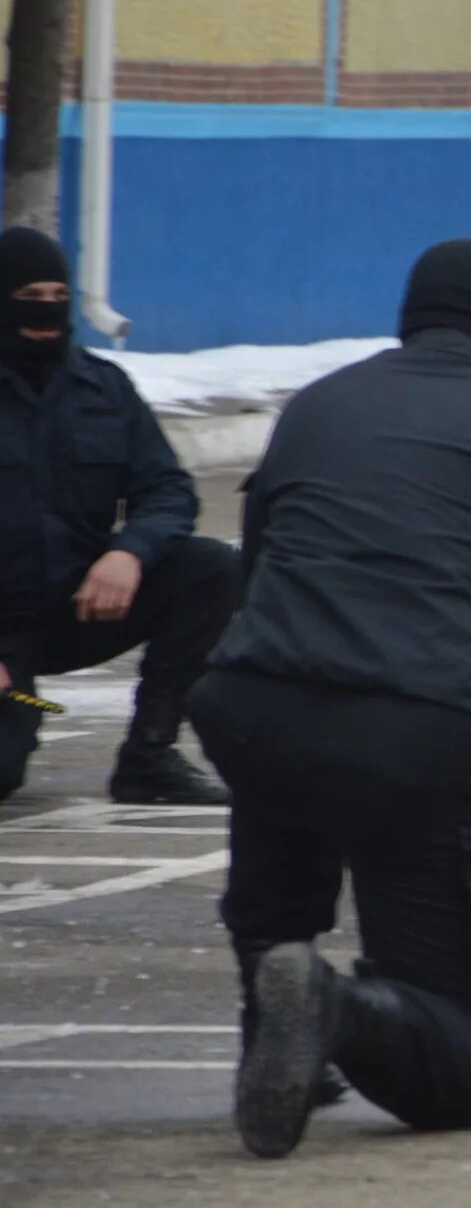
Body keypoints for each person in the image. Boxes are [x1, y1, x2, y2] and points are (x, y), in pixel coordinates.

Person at [198, 240, 471, 1159]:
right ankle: (334, 1008)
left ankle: (275, 1010)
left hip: (253, 704)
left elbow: (264, 579)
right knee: (458, 1066)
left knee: (286, 816)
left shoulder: (319, 407)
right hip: (421, 732)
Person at [0, 226, 235, 807]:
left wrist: (128, 553)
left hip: (78, 603)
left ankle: (149, 759)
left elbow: (169, 489)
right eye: (29, 297)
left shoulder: (102, 387)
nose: (47, 311)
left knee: (211, 570)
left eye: (59, 295)